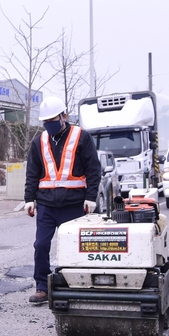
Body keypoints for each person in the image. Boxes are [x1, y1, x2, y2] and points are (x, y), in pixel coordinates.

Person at [23, 96, 100, 304]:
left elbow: (93, 169)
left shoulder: (81, 136)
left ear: (64, 116)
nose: (49, 124)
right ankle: (42, 287)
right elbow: (32, 172)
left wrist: (91, 198)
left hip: (74, 204)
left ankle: (77, 284)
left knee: (74, 247)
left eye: (53, 120)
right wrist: (29, 198)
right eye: (45, 121)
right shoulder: (39, 141)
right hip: (47, 204)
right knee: (40, 245)